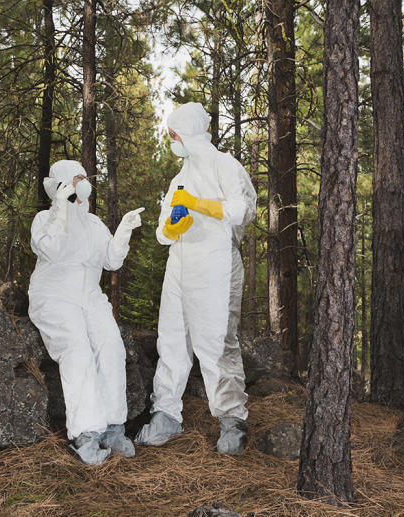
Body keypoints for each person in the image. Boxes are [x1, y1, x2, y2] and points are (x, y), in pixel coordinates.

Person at [135, 103, 257, 455]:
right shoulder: (178, 178)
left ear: (180, 134)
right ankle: (166, 415)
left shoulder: (225, 165)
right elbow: (161, 232)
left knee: (216, 344)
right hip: (180, 267)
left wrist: (199, 205)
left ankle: (232, 420)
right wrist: (173, 226)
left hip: (216, 266)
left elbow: (243, 209)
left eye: (172, 135)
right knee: (172, 341)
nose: (171, 141)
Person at [28, 159, 145, 465]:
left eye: (84, 177)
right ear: (61, 184)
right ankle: (86, 434)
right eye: (75, 178)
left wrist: (123, 232)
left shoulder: (94, 224)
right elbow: (49, 249)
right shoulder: (46, 218)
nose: (83, 183)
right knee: (77, 352)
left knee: (111, 347)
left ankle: (113, 428)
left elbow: (111, 260)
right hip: (54, 296)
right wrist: (62, 208)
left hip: (90, 297)